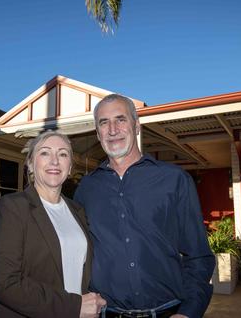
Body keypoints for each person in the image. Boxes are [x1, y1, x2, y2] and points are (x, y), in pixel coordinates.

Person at [74, 94, 215, 318]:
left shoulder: (174, 179)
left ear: (136, 125)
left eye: (120, 119)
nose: (112, 129)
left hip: (168, 311)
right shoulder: (86, 188)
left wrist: (189, 312)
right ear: (97, 132)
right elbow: (71, 252)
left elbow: (198, 256)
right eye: (104, 122)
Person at [0, 131, 106, 317]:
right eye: (45, 153)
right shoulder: (13, 207)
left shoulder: (77, 211)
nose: (55, 161)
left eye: (63, 154)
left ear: (70, 166)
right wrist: (73, 306)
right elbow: (3, 280)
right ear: (31, 164)